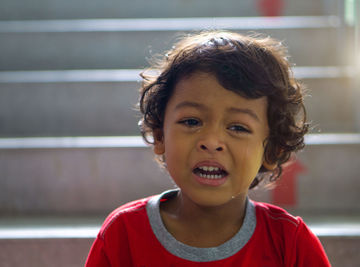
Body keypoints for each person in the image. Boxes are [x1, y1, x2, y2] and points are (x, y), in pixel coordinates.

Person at [85, 31, 331, 266]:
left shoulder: (290, 243)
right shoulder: (123, 234)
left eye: (238, 127)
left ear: (272, 150)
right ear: (160, 136)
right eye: (191, 121)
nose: (211, 141)